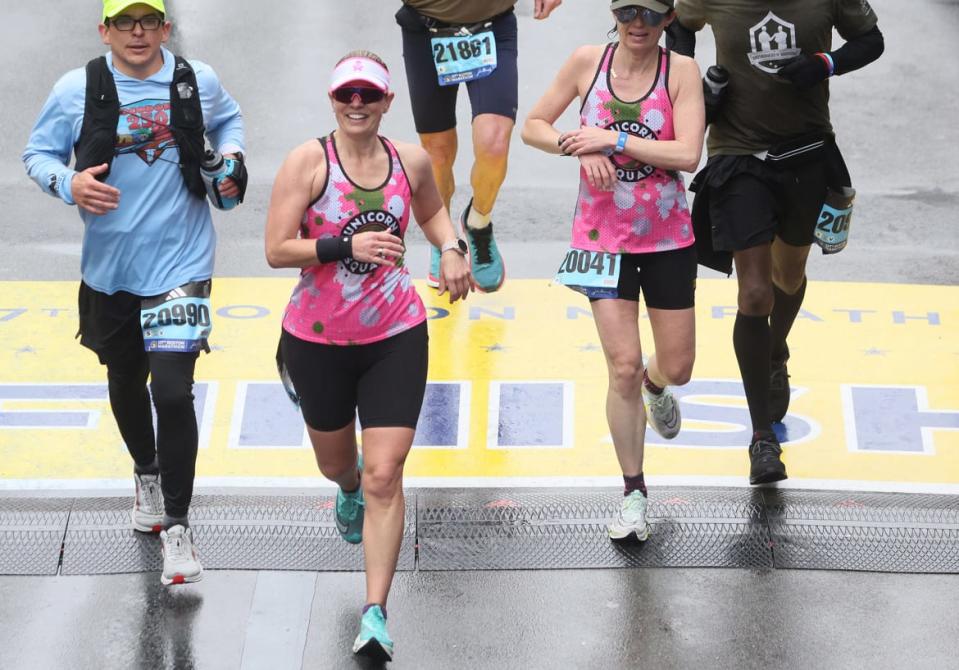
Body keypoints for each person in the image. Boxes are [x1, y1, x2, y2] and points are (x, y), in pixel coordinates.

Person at [22, 0, 246, 585]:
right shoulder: (78, 88)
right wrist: (67, 182)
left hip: (184, 260)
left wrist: (232, 160)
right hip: (110, 269)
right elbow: (37, 154)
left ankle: (177, 526)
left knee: (172, 391)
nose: (138, 33)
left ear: (166, 27)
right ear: (105, 30)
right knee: (124, 380)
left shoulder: (196, 82)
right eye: (125, 22)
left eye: (149, 21)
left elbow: (230, 123)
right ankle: (146, 471)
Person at [265, 51, 473, 662]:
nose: (356, 105)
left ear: (386, 103)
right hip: (317, 339)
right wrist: (342, 243)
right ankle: (346, 485)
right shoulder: (308, 163)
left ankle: (375, 611)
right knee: (340, 466)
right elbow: (278, 249)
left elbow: (433, 211)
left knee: (388, 473)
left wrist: (453, 247)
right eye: (346, 95)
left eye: (368, 96)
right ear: (333, 100)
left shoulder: (409, 160)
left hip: (394, 333)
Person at [669, 1, 884, 484]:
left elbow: (872, 41)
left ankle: (774, 352)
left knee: (789, 274)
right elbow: (679, 29)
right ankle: (762, 438)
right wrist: (697, 88)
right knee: (754, 293)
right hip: (737, 153)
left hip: (807, 150)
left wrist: (824, 64)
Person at [522, 0, 703, 541]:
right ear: (615, 15)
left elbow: (688, 152)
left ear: (668, 18)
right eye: (628, 13)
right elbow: (533, 125)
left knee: (679, 364)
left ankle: (657, 385)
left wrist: (615, 139)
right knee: (620, 366)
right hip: (602, 239)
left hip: (668, 236)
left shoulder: (682, 71)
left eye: (650, 14)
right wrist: (575, 147)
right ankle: (633, 495)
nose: (638, 24)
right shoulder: (586, 62)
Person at [394, 0, 563, 292]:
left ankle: (479, 222)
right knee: (437, 152)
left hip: (492, 23)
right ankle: (443, 236)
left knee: (494, 143)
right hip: (425, 25)